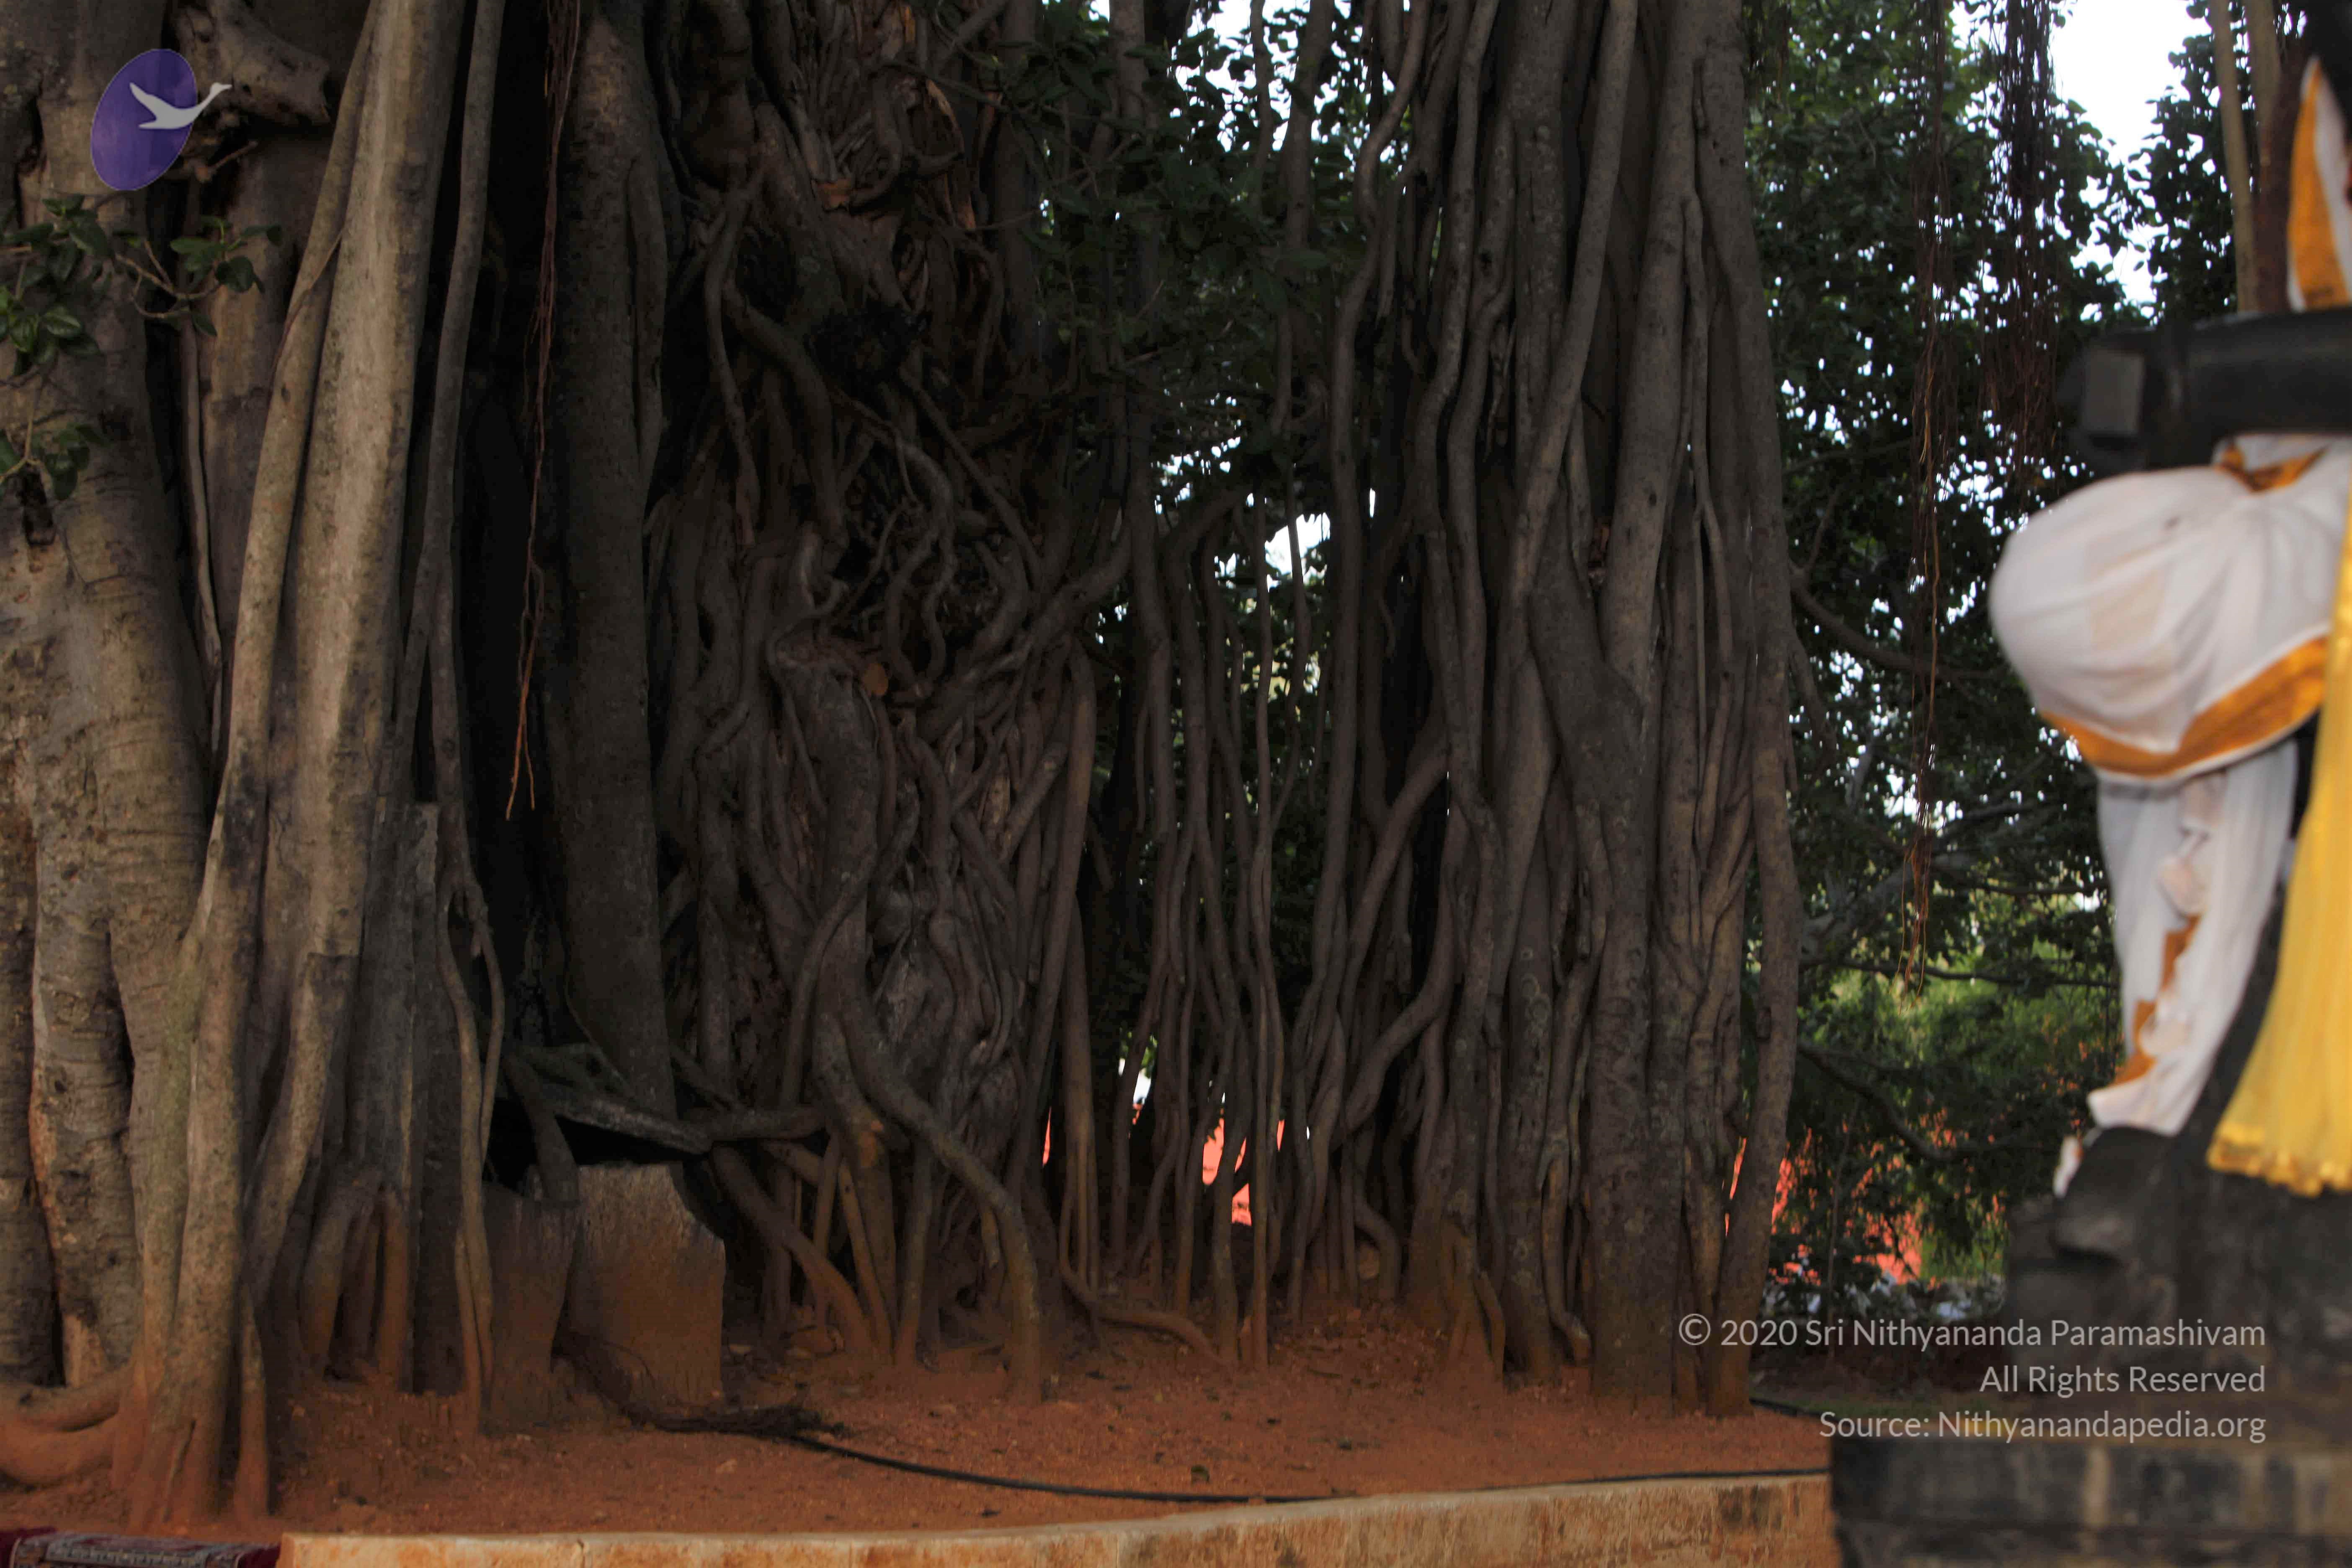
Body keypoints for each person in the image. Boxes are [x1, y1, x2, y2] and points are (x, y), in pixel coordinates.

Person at [1990, 52, 2352, 1199]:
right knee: (2062, 588)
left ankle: (2181, 1106)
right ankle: (2168, 1096)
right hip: (2307, 488)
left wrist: (2200, 374)